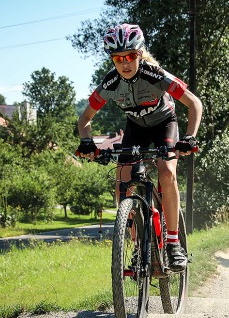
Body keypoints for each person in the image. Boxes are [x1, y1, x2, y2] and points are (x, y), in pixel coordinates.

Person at [76, 23, 203, 272]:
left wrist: (189, 137)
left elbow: (194, 104)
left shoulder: (154, 74)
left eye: (131, 56)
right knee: (122, 178)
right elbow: (84, 119)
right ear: (112, 60)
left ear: (140, 53)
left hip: (165, 123)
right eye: (118, 58)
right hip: (136, 129)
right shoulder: (111, 82)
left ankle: (173, 244)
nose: (125, 63)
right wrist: (87, 141)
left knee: (166, 172)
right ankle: (137, 245)